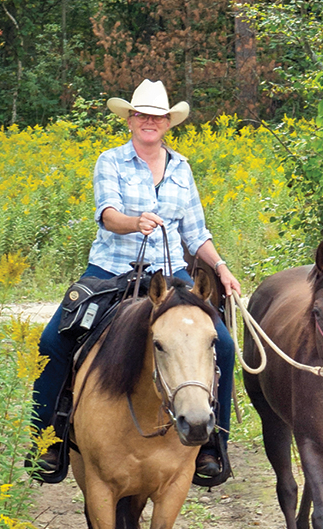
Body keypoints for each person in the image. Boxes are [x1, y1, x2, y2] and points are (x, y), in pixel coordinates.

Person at [32, 79, 241, 479]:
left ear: (167, 123)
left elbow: (195, 232)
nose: (149, 122)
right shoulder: (110, 161)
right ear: (130, 119)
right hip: (111, 269)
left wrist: (222, 267)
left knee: (225, 345)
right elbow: (108, 215)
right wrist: (135, 222)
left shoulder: (181, 167)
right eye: (142, 115)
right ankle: (49, 439)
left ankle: (212, 445)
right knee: (53, 340)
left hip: (171, 275)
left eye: (157, 117)